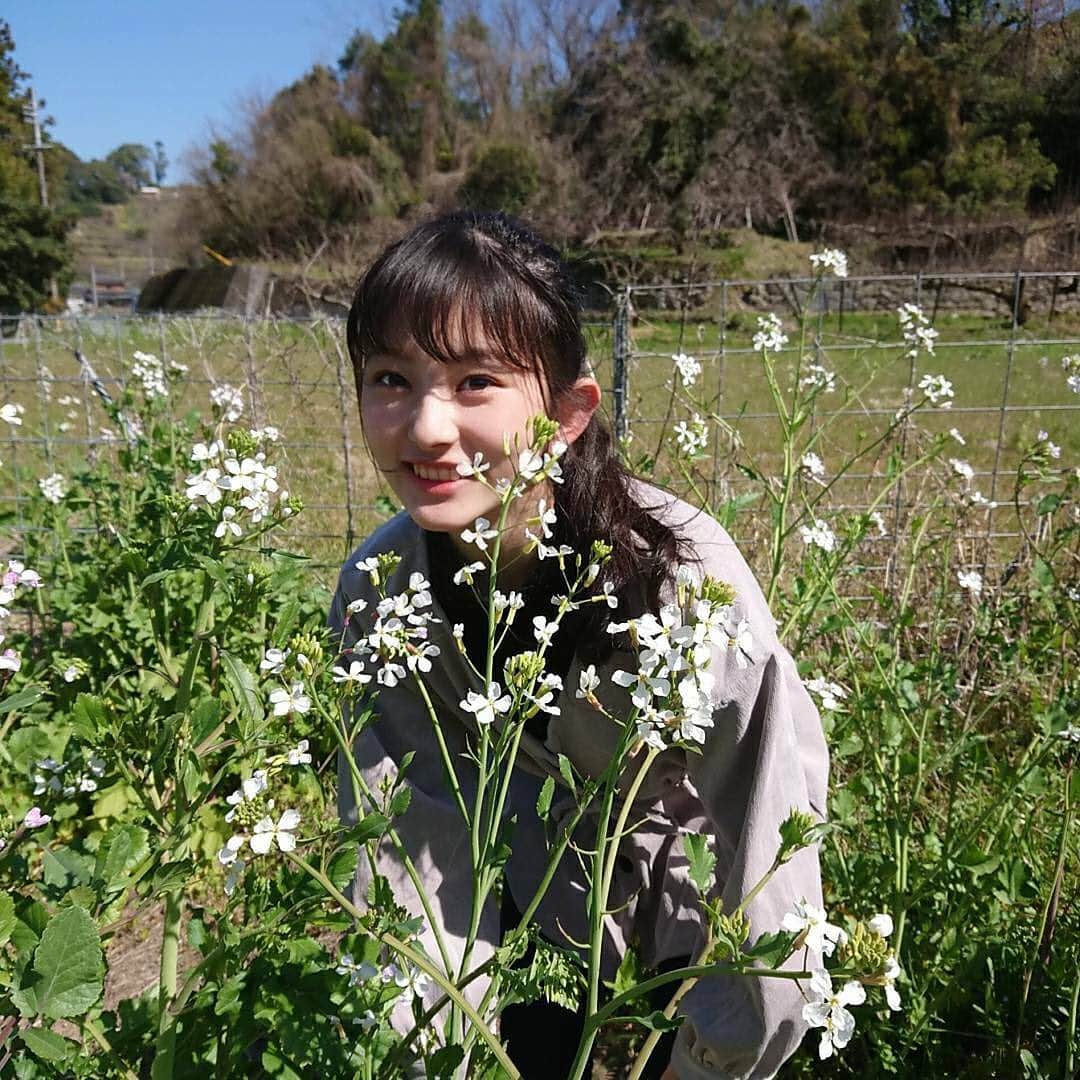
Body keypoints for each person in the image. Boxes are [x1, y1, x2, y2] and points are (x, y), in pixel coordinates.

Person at [330, 210, 829, 1079]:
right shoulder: (380, 588)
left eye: (476, 381)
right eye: (389, 378)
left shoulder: (682, 580)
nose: (425, 430)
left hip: (683, 911)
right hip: (509, 903)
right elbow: (408, 847)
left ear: (567, 412)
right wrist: (442, 1049)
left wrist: (721, 1054)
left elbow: (766, 839)